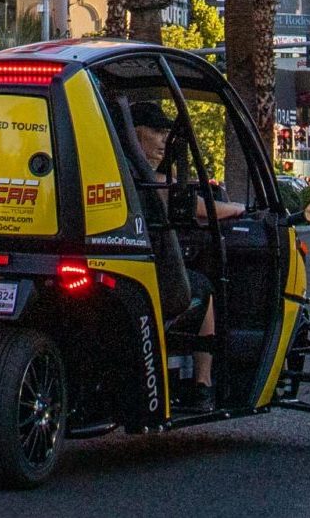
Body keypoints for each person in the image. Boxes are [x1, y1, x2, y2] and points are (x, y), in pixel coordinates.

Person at [127, 99, 243, 412]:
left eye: (167, 132)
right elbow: (196, 208)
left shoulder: (109, 170)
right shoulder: (150, 180)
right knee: (202, 288)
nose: (164, 139)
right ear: (135, 132)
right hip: (145, 283)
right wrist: (237, 209)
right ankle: (202, 386)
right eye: (156, 131)